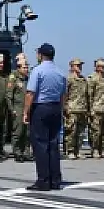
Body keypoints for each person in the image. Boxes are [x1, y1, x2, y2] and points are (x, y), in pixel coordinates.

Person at [23, 43, 65, 191]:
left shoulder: (37, 71)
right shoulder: (60, 72)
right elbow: (62, 96)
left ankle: (43, 180)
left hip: (41, 108)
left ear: (41, 55)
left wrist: (26, 112)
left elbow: (30, 93)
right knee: (53, 145)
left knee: (40, 144)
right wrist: (59, 110)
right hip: (55, 108)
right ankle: (55, 180)